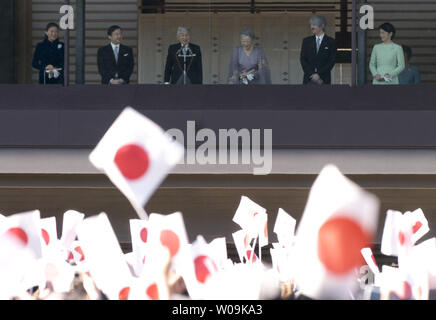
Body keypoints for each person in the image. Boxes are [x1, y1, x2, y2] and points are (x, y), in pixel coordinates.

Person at [300, 16, 337, 85]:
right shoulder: (306, 41)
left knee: (323, 96)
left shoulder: (331, 42)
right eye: (311, 25)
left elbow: (331, 61)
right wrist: (312, 74)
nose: (312, 27)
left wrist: (319, 75)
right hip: (308, 79)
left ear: (322, 26)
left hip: (324, 79)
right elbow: (303, 59)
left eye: (314, 25)